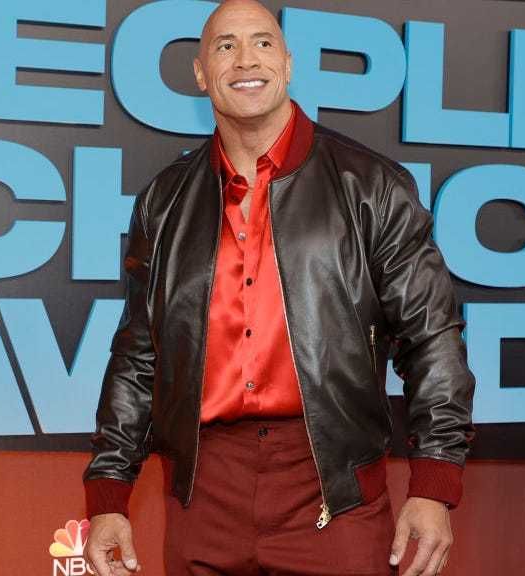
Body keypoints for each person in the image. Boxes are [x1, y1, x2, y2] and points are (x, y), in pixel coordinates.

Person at [82, 1, 475, 574]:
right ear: (201, 74)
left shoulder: (372, 186)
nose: (246, 59)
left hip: (332, 485)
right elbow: (140, 354)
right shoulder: (163, 202)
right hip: (204, 491)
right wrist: (109, 491)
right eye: (225, 46)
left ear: (288, 64)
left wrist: (434, 479)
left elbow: (432, 337)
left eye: (263, 43)